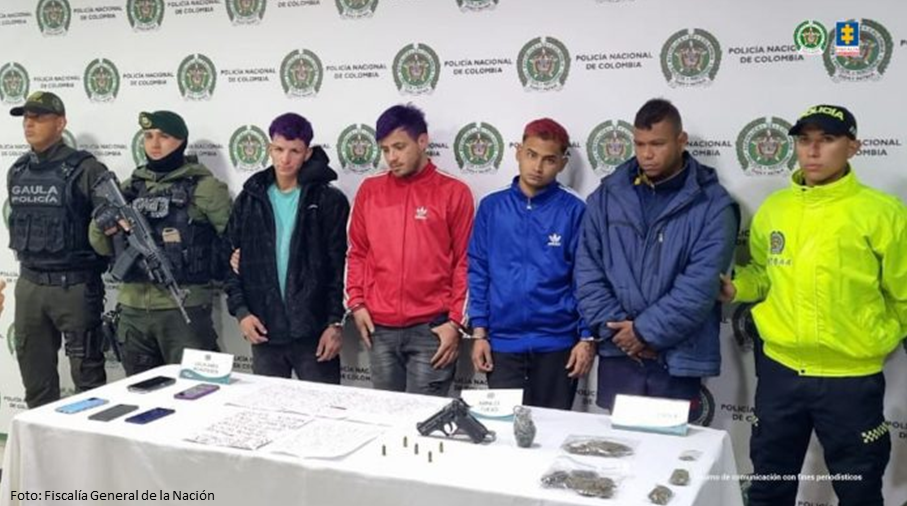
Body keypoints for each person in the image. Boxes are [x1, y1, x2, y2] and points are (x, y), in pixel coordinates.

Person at [720, 105, 906, 506]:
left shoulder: (883, 213)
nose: (813, 151)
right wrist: (737, 288)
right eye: (805, 140)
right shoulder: (776, 209)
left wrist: (881, 334)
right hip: (780, 372)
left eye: (827, 140)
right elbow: (763, 274)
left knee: (859, 490)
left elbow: (903, 293)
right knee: (770, 485)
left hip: (851, 378)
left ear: (853, 147)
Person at [575, 98, 738, 413]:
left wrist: (643, 333)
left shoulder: (714, 204)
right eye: (639, 144)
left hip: (677, 357)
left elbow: (701, 285)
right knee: (616, 443)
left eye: (657, 144)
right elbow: (587, 270)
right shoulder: (606, 196)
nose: (646, 154)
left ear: (681, 140)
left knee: (672, 444)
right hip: (619, 354)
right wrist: (622, 333)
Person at [89, 110, 232, 376]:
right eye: (148, 136)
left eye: (164, 136)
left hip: (184, 308)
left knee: (198, 392)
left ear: (181, 141)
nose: (154, 144)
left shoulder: (206, 188)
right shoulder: (127, 189)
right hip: (132, 309)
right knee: (140, 393)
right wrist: (102, 223)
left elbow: (233, 244)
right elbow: (100, 246)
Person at [345, 104, 474, 396]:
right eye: (385, 149)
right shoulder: (369, 190)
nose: (392, 157)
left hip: (433, 329)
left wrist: (455, 322)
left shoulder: (454, 191)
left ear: (423, 141)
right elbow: (356, 252)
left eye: (399, 147)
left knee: (426, 418)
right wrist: (357, 303)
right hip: (379, 328)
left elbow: (466, 262)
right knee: (387, 415)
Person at [468, 118, 594, 410]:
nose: (538, 166)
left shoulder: (575, 209)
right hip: (502, 345)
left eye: (549, 159)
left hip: (558, 344)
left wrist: (586, 336)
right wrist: (479, 332)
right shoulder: (492, 206)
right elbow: (478, 270)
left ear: (562, 163)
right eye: (531, 155)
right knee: (504, 431)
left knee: (554, 430)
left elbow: (586, 278)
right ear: (518, 152)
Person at [225, 113, 349, 383]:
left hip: (315, 332)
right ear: (269, 148)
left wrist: (334, 323)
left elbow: (340, 267)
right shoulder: (250, 198)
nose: (285, 159)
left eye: (295, 151)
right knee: (268, 408)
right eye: (279, 149)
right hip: (264, 331)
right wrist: (242, 313)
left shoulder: (329, 200)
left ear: (308, 153)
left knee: (323, 407)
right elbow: (229, 261)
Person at [7, 91, 109, 407]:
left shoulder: (86, 169)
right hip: (29, 285)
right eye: (26, 118)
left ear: (61, 123)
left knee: (88, 384)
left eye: (39, 117)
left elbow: (111, 228)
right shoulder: (18, 170)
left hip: (74, 287)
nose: (29, 124)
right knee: (36, 383)